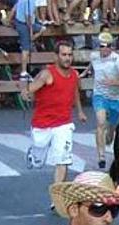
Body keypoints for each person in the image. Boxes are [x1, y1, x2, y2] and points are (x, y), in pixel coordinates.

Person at [21, 41, 88, 206]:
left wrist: (79, 111)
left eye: (70, 55)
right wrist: (26, 93)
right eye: (64, 55)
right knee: (38, 159)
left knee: (62, 160)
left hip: (63, 124)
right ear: (56, 56)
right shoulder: (46, 74)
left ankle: (57, 198)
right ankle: (34, 153)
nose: (67, 58)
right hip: (42, 124)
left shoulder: (73, 75)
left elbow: (75, 92)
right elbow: (29, 90)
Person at [87, 32, 119, 169]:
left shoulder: (117, 60)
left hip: (116, 98)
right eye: (102, 46)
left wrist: (113, 82)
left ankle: (110, 135)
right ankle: (101, 156)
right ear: (98, 46)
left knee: (111, 130)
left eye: (108, 46)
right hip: (99, 95)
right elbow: (91, 67)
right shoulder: (94, 57)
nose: (105, 48)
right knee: (100, 123)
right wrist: (84, 73)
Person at [14, 0, 46, 80]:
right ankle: (23, 72)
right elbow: (28, 17)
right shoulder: (30, 2)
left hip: (20, 21)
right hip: (24, 24)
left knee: (42, 28)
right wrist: (31, 32)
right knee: (25, 49)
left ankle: (32, 39)